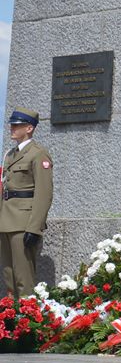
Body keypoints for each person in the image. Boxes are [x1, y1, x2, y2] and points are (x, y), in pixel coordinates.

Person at [0, 107, 54, 298]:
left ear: (29, 128)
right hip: (6, 221)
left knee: (24, 281)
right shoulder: (10, 155)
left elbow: (44, 193)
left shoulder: (38, 154)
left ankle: (27, 323)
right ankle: (11, 322)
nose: (12, 128)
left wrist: (34, 227)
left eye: (17, 125)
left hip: (23, 222)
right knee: (9, 278)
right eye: (12, 124)